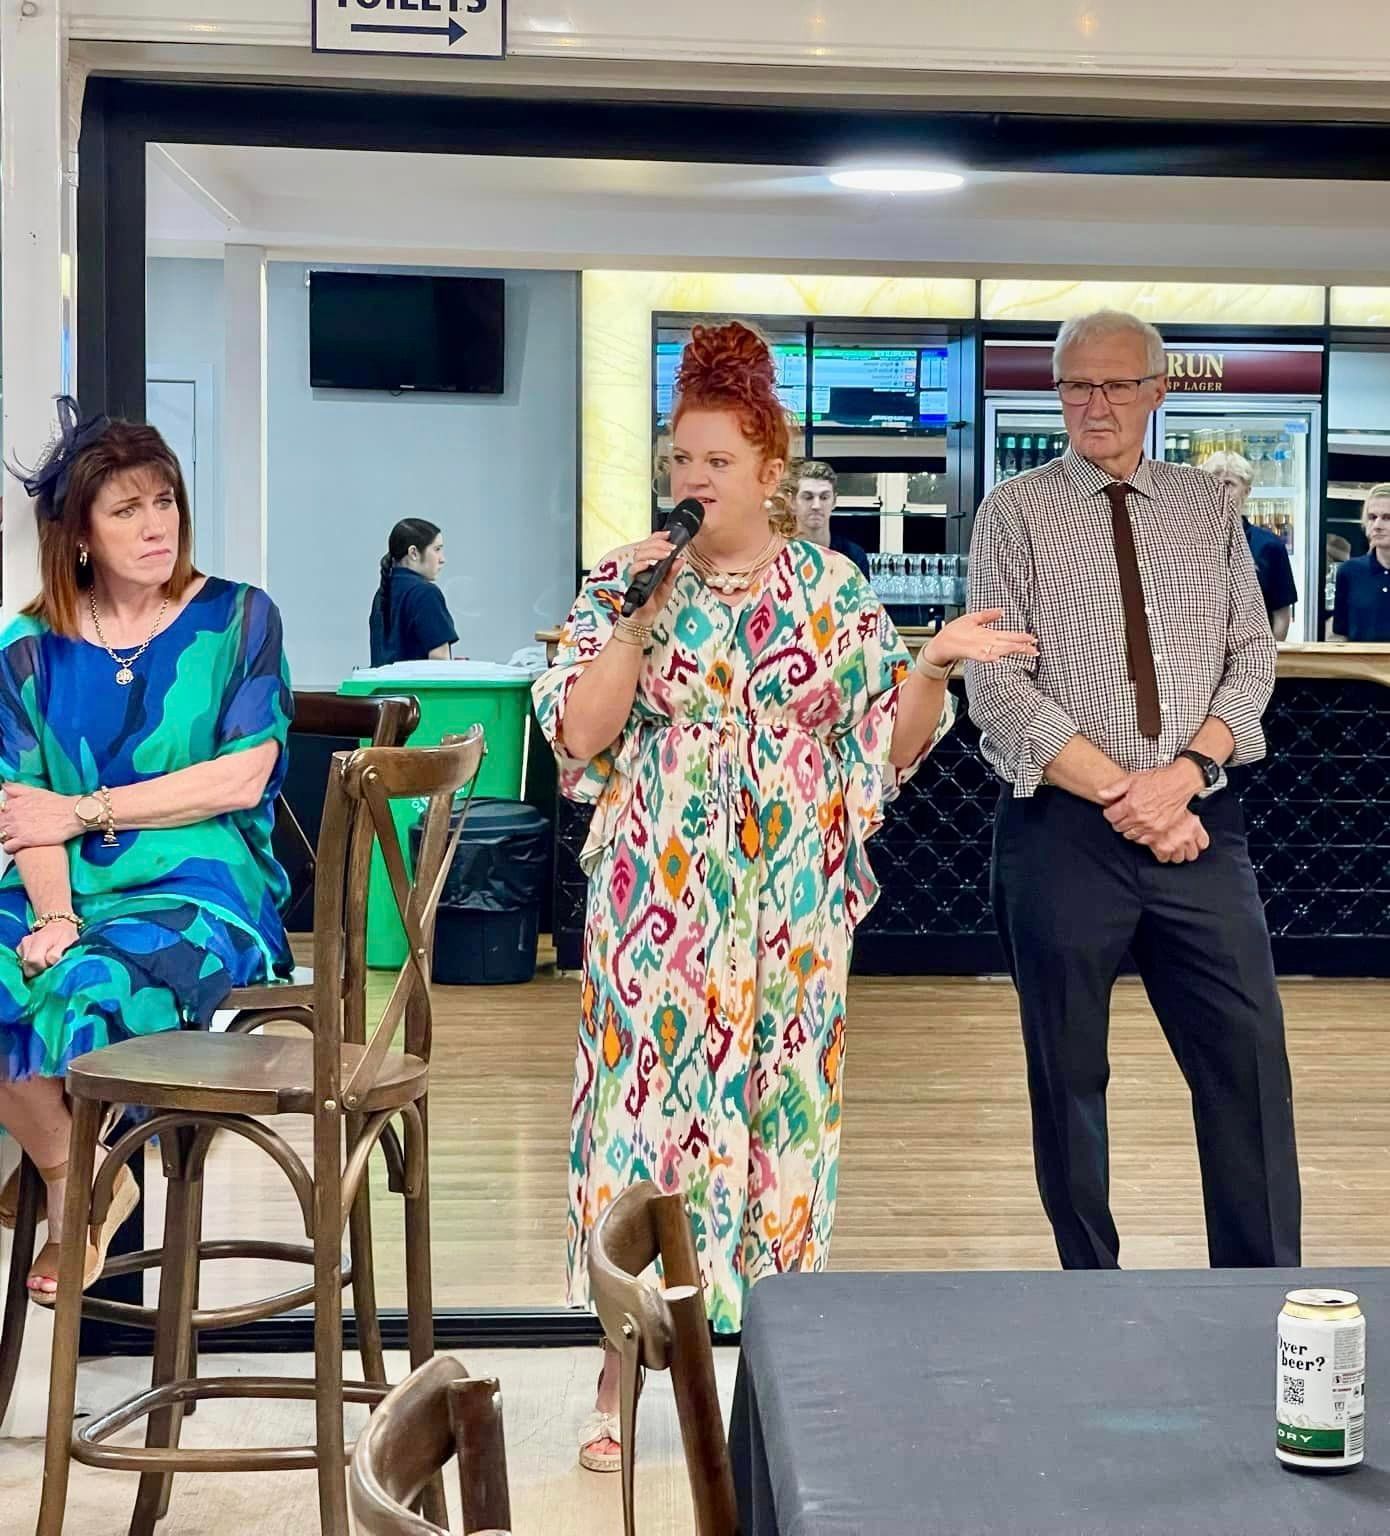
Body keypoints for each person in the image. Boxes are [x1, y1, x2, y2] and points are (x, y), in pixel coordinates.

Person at [533, 320, 1032, 1471]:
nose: (692, 482)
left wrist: (928, 667)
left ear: (770, 470)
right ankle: (618, 1378)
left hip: (788, 896)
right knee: (638, 1117)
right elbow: (576, 733)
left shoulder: (832, 587)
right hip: (658, 881)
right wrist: (641, 615)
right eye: (677, 462)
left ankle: (771, 1373)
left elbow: (886, 753)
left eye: (715, 462)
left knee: (779, 1121)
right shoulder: (620, 577)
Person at [965, 309, 1301, 1273]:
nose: (1094, 404)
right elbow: (997, 683)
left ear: (1159, 392)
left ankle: (1262, 1292)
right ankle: (1090, 1292)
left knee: (1247, 1067)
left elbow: (1252, 661)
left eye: (1115, 385)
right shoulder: (1015, 511)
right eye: (1075, 386)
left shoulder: (1207, 508)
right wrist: (1132, 797)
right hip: (1060, 834)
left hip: (1203, 827)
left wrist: (1186, 779)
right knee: (1067, 1075)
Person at [0, 399, 294, 1301]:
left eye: (163, 500)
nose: (155, 524)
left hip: (202, 880)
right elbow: (23, 811)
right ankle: (80, 1176)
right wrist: (53, 912)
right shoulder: (28, 648)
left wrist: (85, 810)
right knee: (18, 965)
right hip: (69, 882)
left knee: (93, 981)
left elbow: (243, 778)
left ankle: (67, 1189)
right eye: (126, 509)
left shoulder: (241, 618)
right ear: (79, 533)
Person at [1202, 450, 1298, 640]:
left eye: (1229, 484)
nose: (1220, 490)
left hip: (1252, 655)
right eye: (1213, 482)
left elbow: (1281, 616)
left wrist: (1267, 660)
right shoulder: (1187, 543)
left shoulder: (1270, 546)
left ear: (1247, 491)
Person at [368, 518, 458, 665]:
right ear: (414, 553)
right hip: (416, 688)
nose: (442, 559)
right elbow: (440, 661)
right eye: (437, 549)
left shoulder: (382, 594)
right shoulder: (426, 594)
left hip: (385, 687)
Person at [791, 459, 871, 578]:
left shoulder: (853, 557)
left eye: (824, 497)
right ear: (792, 501)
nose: (816, 506)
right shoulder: (777, 556)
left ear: (834, 501)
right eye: (808, 497)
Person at [1329, 484, 1390, 641]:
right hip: (1361, 664)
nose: (1377, 526)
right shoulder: (1350, 572)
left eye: (1387, 518)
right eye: (1372, 517)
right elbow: (1340, 635)